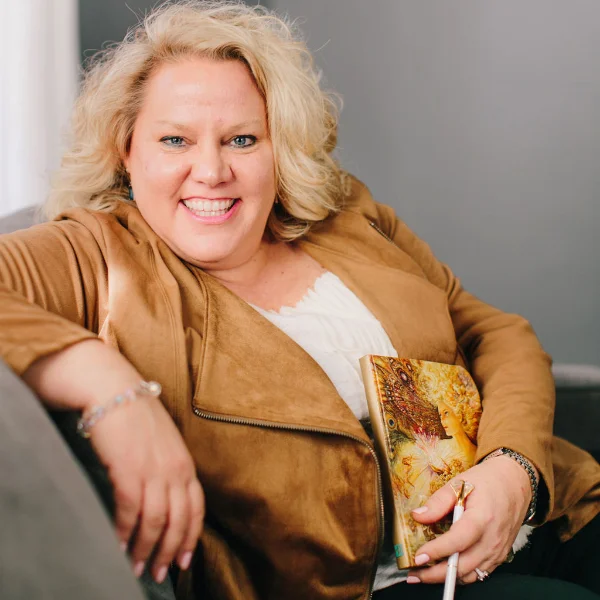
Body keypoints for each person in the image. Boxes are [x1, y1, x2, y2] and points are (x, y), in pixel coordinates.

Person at [1, 2, 599, 599]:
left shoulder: (346, 217)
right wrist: (110, 388)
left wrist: (513, 469)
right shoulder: (92, 253)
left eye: (241, 139)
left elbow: (496, 335)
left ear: (278, 148)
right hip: (383, 586)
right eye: (174, 139)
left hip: (544, 512)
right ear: (126, 151)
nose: (210, 170)